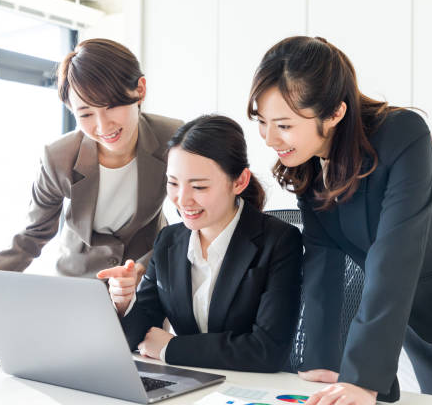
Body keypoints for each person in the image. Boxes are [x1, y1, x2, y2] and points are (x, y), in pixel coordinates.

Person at [248, 36, 432, 404]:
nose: (268, 138)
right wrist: (322, 363)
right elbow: (323, 263)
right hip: (418, 326)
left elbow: (395, 256)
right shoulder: (309, 166)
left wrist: (362, 378)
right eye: (262, 122)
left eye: (283, 125)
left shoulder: (403, 135)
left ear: (334, 113)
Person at [0, 38, 183, 319]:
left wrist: (142, 269)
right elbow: (33, 234)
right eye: (86, 113)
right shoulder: (59, 158)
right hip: (75, 287)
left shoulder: (175, 141)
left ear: (140, 89)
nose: (103, 126)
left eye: (111, 106)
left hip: (144, 283)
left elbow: (191, 225)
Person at [97, 115, 302, 372]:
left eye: (199, 187)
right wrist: (125, 302)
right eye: (173, 183)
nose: (182, 200)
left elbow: (266, 350)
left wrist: (171, 348)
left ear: (239, 181)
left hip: (248, 389)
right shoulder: (169, 240)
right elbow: (138, 334)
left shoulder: (279, 241)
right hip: (190, 383)